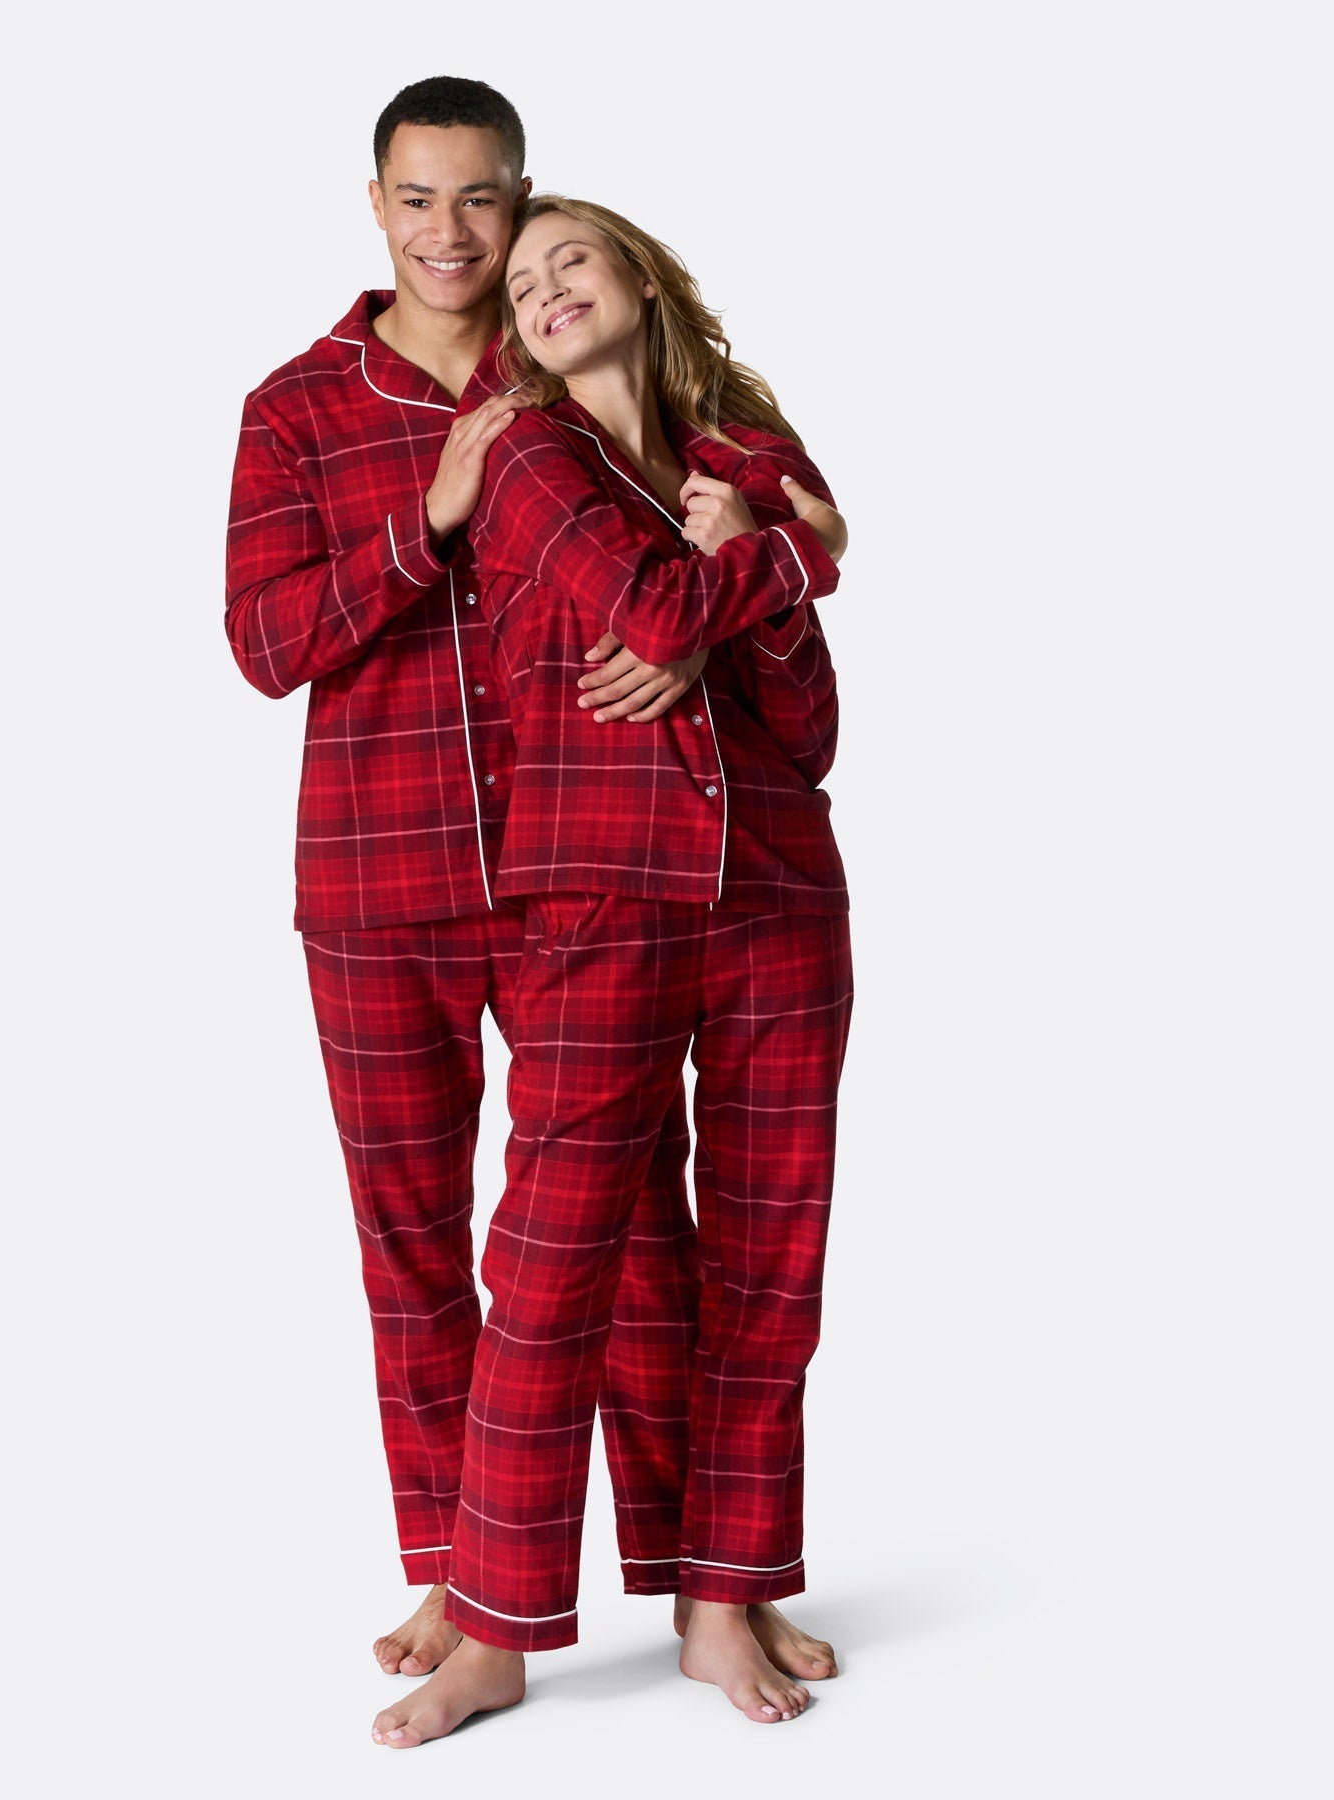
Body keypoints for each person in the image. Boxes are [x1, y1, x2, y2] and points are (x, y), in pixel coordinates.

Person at [226, 80, 838, 1685]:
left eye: (484, 199)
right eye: (419, 198)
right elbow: (265, 643)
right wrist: (424, 519)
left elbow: (720, 573)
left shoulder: (563, 374)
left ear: (522, 201)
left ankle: (697, 1575)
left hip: (598, 868)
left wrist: (749, 573)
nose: (453, 230)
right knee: (419, 1240)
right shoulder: (300, 408)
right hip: (387, 872)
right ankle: (464, 1582)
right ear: (376, 206)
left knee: (637, 1240)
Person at [371, 196, 854, 1745]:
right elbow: (648, 613)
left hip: (778, 893)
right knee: (553, 1266)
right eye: (523, 281)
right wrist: (790, 557)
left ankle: (727, 1596)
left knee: (769, 1269)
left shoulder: (737, 462)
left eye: (570, 256)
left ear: (640, 275)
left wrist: (749, 568)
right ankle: (495, 1622)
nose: (545, 285)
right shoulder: (524, 455)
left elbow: (808, 730)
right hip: (597, 898)